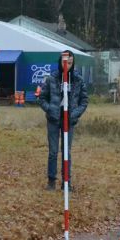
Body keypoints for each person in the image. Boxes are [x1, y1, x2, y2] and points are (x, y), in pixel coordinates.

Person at [38, 50, 88, 190]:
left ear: (73, 63)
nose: (67, 65)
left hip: (69, 120)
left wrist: (74, 114)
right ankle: (51, 181)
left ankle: (66, 182)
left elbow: (84, 101)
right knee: (53, 151)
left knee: (67, 151)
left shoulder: (78, 80)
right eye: (65, 62)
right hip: (53, 119)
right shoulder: (51, 78)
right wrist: (50, 109)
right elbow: (41, 98)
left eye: (70, 63)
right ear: (60, 62)